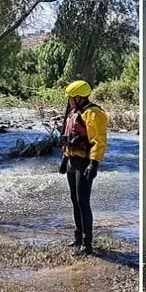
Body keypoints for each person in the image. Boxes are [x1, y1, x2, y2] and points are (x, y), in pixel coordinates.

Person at [59, 79, 108, 256]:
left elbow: (98, 141)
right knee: (75, 201)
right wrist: (65, 160)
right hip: (72, 162)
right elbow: (69, 137)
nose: (69, 101)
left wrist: (94, 164)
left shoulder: (93, 114)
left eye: (71, 98)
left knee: (83, 202)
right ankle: (78, 238)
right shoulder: (74, 112)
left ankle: (87, 244)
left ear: (79, 97)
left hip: (84, 164)